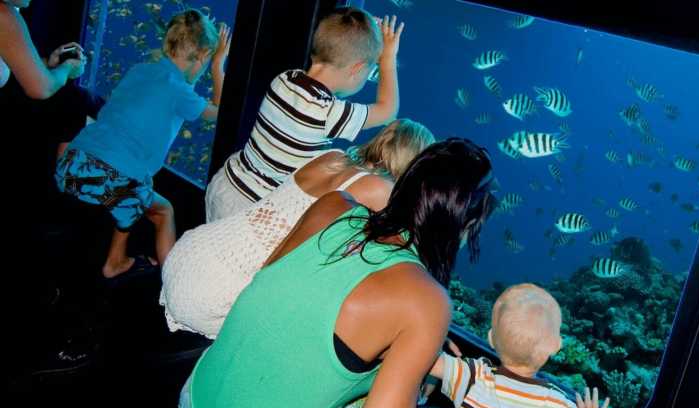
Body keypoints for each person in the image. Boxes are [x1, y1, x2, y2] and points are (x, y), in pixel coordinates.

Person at [177, 138, 497, 408]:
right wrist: (418, 351)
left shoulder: (333, 206)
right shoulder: (427, 303)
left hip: (195, 395)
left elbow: (270, 290)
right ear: (464, 228)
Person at [161, 119, 435, 339]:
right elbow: (408, 253)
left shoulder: (331, 156)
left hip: (192, 251)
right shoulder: (380, 189)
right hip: (218, 287)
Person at [54, 9, 230, 279]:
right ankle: (166, 283)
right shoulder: (179, 91)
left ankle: (114, 255)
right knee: (163, 211)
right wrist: (219, 66)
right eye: (206, 63)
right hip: (112, 180)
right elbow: (221, 111)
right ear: (202, 56)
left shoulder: (140, 70)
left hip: (70, 165)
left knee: (127, 180)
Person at [204, 7, 403, 222]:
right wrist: (387, 59)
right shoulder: (328, 113)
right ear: (357, 69)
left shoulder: (284, 79)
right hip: (252, 209)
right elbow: (388, 110)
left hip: (226, 183)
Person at [428, 283, 611, 408]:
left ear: (491, 338)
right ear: (556, 346)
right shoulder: (560, 406)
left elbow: (425, 359)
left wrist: (441, 338)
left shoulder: (472, 377)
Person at [0, 0, 85, 97]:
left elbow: (13, 62)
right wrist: (68, 68)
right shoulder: (4, 16)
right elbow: (42, 88)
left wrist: (46, 65)